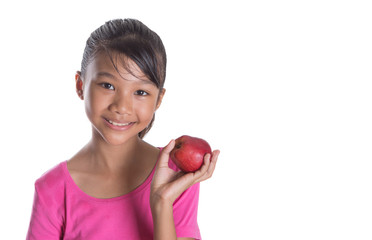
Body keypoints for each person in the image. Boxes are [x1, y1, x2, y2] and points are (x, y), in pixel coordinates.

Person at [26, 18, 220, 240]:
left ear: (158, 99)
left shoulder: (175, 176)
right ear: (81, 85)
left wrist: (162, 202)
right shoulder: (52, 190)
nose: (121, 107)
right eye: (108, 86)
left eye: (140, 92)